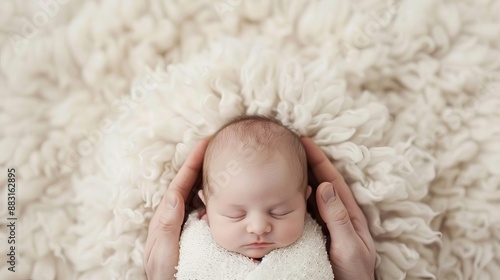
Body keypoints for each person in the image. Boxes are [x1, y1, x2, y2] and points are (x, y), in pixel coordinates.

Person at [143, 120, 377, 279]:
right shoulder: (193, 246)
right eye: (236, 214)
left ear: (305, 201)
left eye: (280, 211)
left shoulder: (319, 247)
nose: (258, 227)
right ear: (205, 206)